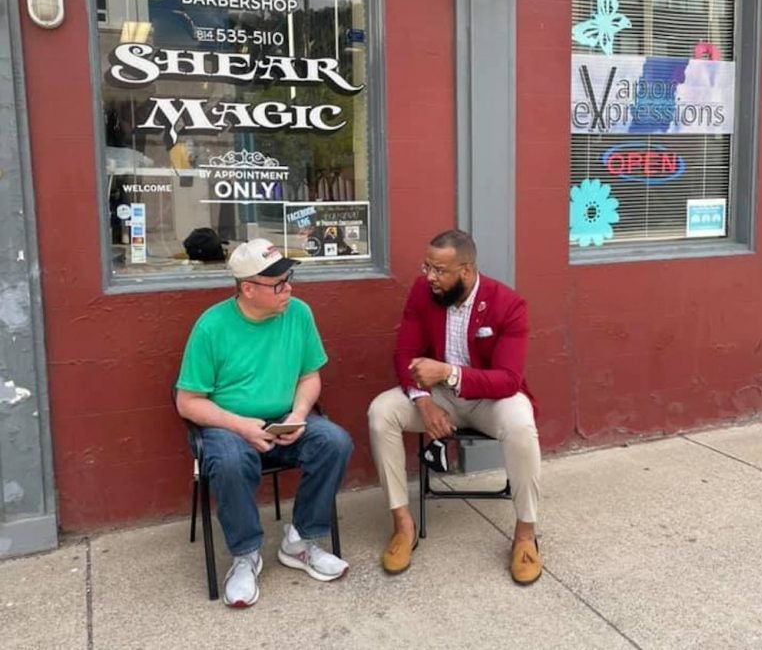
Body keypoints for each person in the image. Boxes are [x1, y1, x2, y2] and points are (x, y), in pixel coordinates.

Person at [175, 238, 353, 608]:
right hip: (227, 425)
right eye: (278, 284)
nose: (288, 289)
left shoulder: (299, 313)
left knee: (335, 441)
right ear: (248, 289)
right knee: (227, 460)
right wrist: (240, 426)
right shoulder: (211, 327)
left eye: (288, 279)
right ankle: (245, 556)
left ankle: (301, 542)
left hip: (286, 420)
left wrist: (299, 415)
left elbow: (309, 376)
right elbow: (188, 403)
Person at [368, 229, 542, 584]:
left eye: (438, 270)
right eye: (426, 267)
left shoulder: (508, 304)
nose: (429, 277)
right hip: (436, 395)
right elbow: (404, 353)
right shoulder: (422, 292)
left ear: (465, 270)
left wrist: (449, 372)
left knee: (522, 425)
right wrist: (424, 402)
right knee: (381, 412)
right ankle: (403, 525)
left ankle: (526, 534)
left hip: (489, 398)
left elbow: (508, 379)